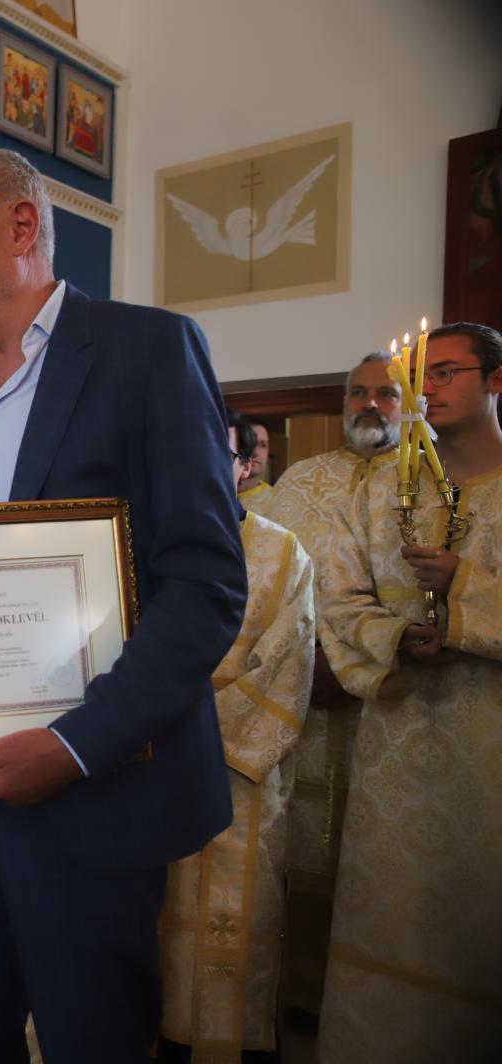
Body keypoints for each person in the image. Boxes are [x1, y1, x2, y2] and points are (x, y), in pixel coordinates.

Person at [0, 147, 245, 1063]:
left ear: (22, 226)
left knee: (93, 1042)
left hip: (100, 790)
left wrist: (73, 745)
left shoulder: (148, 352)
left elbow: (204, 584)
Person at [314, 322, 502, 1061]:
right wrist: (396, 638)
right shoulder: (381, 491)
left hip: (490, 747)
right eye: (423, 374)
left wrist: (466, 589)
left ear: (496, 382)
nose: (430, 388)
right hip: (397, 742)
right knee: (391, 924)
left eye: (449, 372)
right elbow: (338, 596)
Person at [159, 410, 314, 1063]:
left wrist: (176, 731)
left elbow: (288, 667)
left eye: (218, 453)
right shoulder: (139, 540)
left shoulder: (284, 553)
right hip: (143, 773)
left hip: (234, 780)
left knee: (233, 936)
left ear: (246, 465)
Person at [262, 351, 401, 995]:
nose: (369, 404)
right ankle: (296, 985)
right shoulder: (300, 481)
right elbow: (264, 584)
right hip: (300, 692)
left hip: (389, 698)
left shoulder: (432, 480)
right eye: (357, 392)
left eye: (387, 393)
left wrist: (357, 661)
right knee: (298, 843)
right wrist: (304, 658)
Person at [238, 420, 273, 512]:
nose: (256, 452)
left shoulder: (277, 500)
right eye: (249, 443)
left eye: (263, 445)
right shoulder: (212, 496)